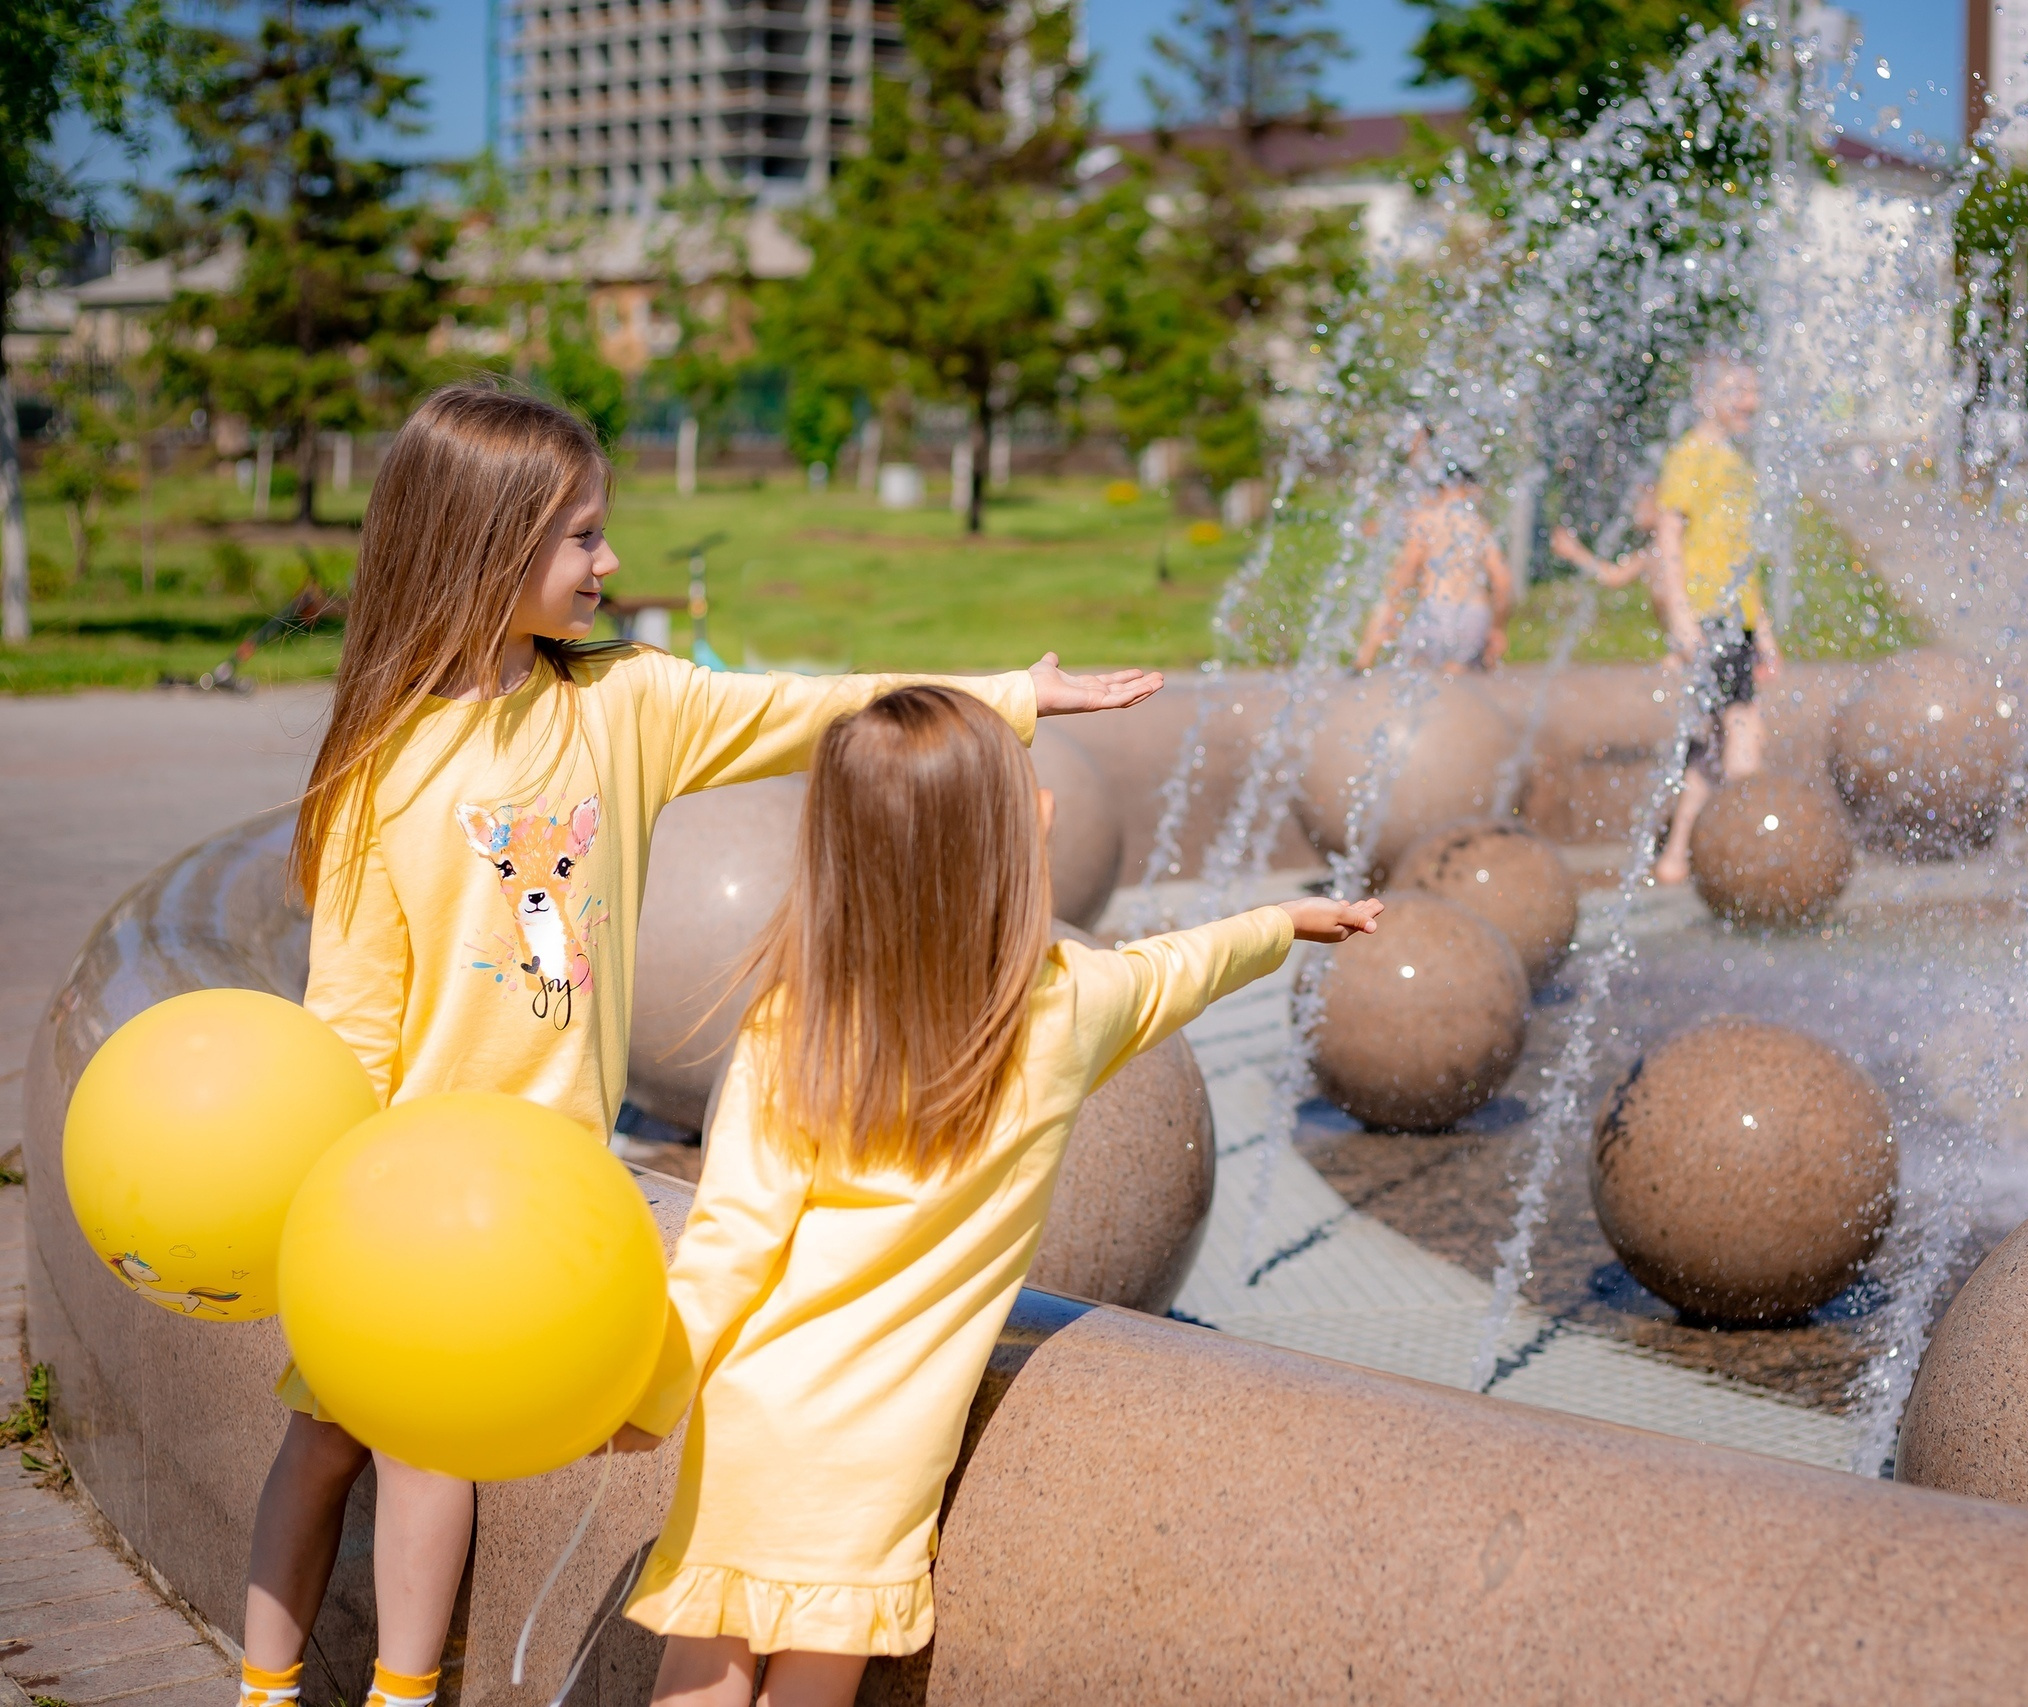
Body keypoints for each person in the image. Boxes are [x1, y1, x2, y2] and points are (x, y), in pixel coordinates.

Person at [235, 384, 1161, 1707]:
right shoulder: (382, 765)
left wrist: (1019, 692)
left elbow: (810, 706)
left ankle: (392, 1691)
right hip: (397, 1195)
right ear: (490, 547)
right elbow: (353, 1016)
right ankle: (273, 1686)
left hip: (538, 1198)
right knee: (332, 1437)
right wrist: (326, 1205)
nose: (612, 564)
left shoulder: (628, 708)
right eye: (584, 538)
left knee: (399, 1438)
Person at [604, 685, 1382, 1705]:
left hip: (758, 1419)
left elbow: (729, 1242)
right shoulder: (1059, 1015)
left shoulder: (796, 1030)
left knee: (704, 1666)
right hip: (877, 1455)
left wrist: (648, 1392)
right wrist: (1278, 924)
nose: (1047, 808)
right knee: (814, 1674)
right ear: (1005, 848)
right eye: (1026, 800)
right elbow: (1171, 971)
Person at [1550, 359, 1780, 884]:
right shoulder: (1688, 457)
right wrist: (1680, 616)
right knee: (1744, 733)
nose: (1751, 402)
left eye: (1754, 390)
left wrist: (1761, 629)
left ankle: (1678, 855)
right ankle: (1749, 857)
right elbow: (1670, 536)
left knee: (1718, 739)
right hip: (1707, 612)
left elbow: (1741, 558)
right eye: (1737, 391)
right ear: (1704, 399)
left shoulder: (1737, 464)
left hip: (1734, 616)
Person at [1353, 435, 1515, 673]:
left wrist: (1392, 607)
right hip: (1474, 617)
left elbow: (1406, 569)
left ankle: (1361, 664)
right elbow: (1503, 581)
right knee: (1459, 686)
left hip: (1434, 613)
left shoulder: (1427, 520)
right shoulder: (1480, 526)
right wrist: (1497, 628)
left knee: (1416, 680)